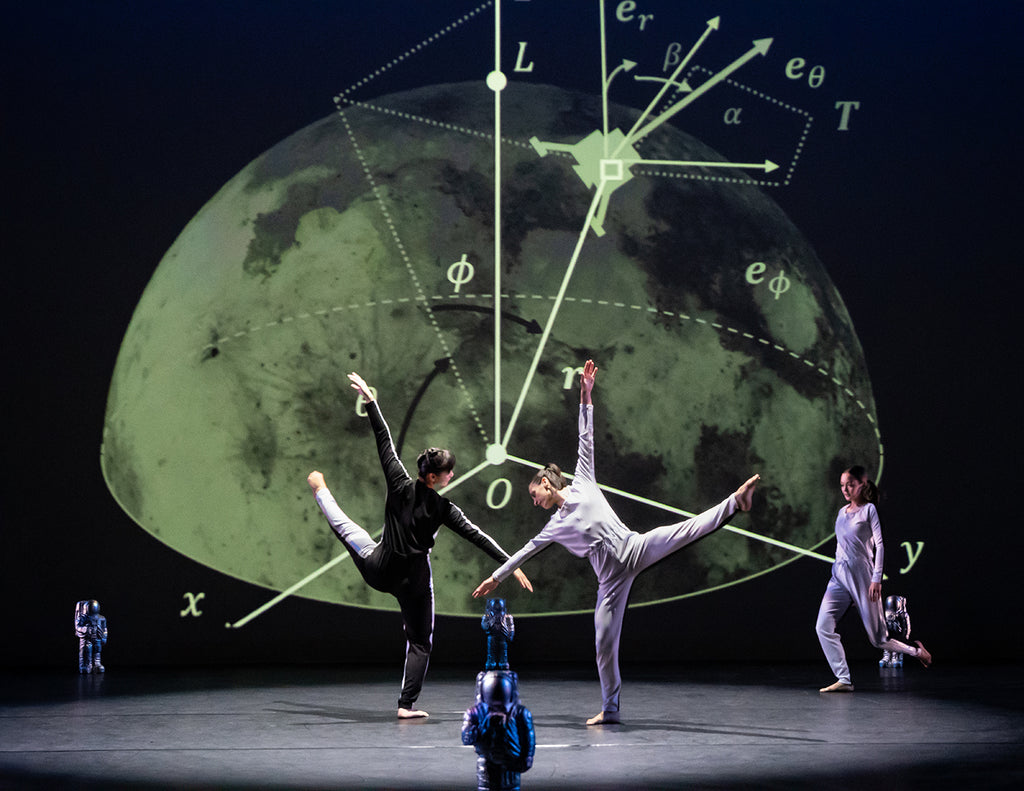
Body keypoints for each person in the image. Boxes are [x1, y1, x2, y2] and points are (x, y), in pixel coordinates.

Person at [472, 360, 760, 725]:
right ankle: (610, 709)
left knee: (687, 529)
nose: (534, 502)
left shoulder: (583, 480)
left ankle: (736, 501)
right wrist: (496, 577)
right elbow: (525, 551)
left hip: (633, 547)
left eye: (534, 495)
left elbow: (586, 438)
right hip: (610, 581)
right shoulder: (554, 527)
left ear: (546, 483)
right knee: (604, 643)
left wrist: (585, 395)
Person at [308, 372, 532, 719]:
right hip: (413, 583)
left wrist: (371, 402)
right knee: (420, 642)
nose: (451, 476)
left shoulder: (399, 482)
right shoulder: (444, 509)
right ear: (433, 477)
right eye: (448, 473)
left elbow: (384, 442)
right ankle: (405, 705)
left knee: (346, 528)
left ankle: (321, 491)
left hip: (379, 568)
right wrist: (511, 565)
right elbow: (477, 536)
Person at [815, 466, 932, 692]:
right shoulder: (841, 512)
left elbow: (880, 545)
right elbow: (841, 545)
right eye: (842, 485)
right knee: (823, 626)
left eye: (850, 484)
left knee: (878, 639)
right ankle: (844, 679)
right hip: (838, 577)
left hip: (863, 577)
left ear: (862, 485)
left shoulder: (869, 510)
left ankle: (918, 652)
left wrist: (876, 579)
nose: (845, 489)